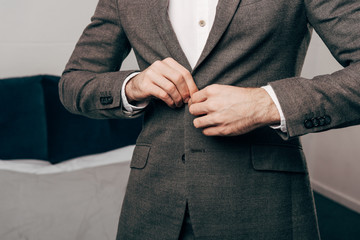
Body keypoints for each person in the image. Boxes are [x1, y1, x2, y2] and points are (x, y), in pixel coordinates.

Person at [59, 0, 360, 239]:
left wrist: (267, 103)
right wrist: (133, 86)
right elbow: (73, 83)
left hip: (264, 203)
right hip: (152, 205)